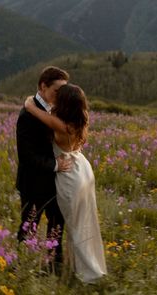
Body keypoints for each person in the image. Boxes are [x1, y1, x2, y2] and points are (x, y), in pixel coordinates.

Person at [25, 83, 107, 284]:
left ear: (66, 103)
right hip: (82, 168)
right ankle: (83, 267)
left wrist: (30, 102)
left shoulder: (60, 125)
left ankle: (89, 275)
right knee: (86, 223)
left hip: (70, 175)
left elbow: (31, 108)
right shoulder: (79, 120)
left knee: (76, 226)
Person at [16, 66, 72, 269]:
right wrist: (56, 165)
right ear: (43, 86)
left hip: (55, 182)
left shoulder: (54, 110)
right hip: (33, 183)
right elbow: (26, 156)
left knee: (57, 224)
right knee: (29, 225)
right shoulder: (27, 116)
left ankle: (54, 267)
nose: (60, 96)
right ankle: (21, 267)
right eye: (57, 91)